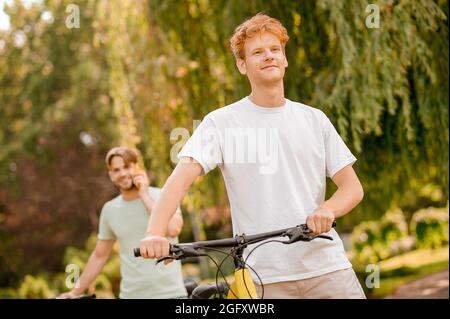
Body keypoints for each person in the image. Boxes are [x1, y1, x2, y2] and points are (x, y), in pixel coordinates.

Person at [139, 13, 366, 298]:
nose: (268, 56)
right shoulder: (221, 123)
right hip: (264, 278)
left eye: (275, 50)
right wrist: (155, 233)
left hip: (328, 269)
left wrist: (328, 209)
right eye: (257, 52)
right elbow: (180, 179)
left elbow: (352, 188)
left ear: (284, 59)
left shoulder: (314, 119)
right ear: (242, 65)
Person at [58, 147, 187, 299]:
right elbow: (99, 256)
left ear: (137, 168)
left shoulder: (162, 194)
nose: (122, 173)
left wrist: (144, 196)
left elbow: (173, 229)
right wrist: (74, 292)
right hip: (131, 295)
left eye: (127, 167)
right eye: (116, 170)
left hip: (171, 295)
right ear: (111, 175)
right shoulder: (109, 210)